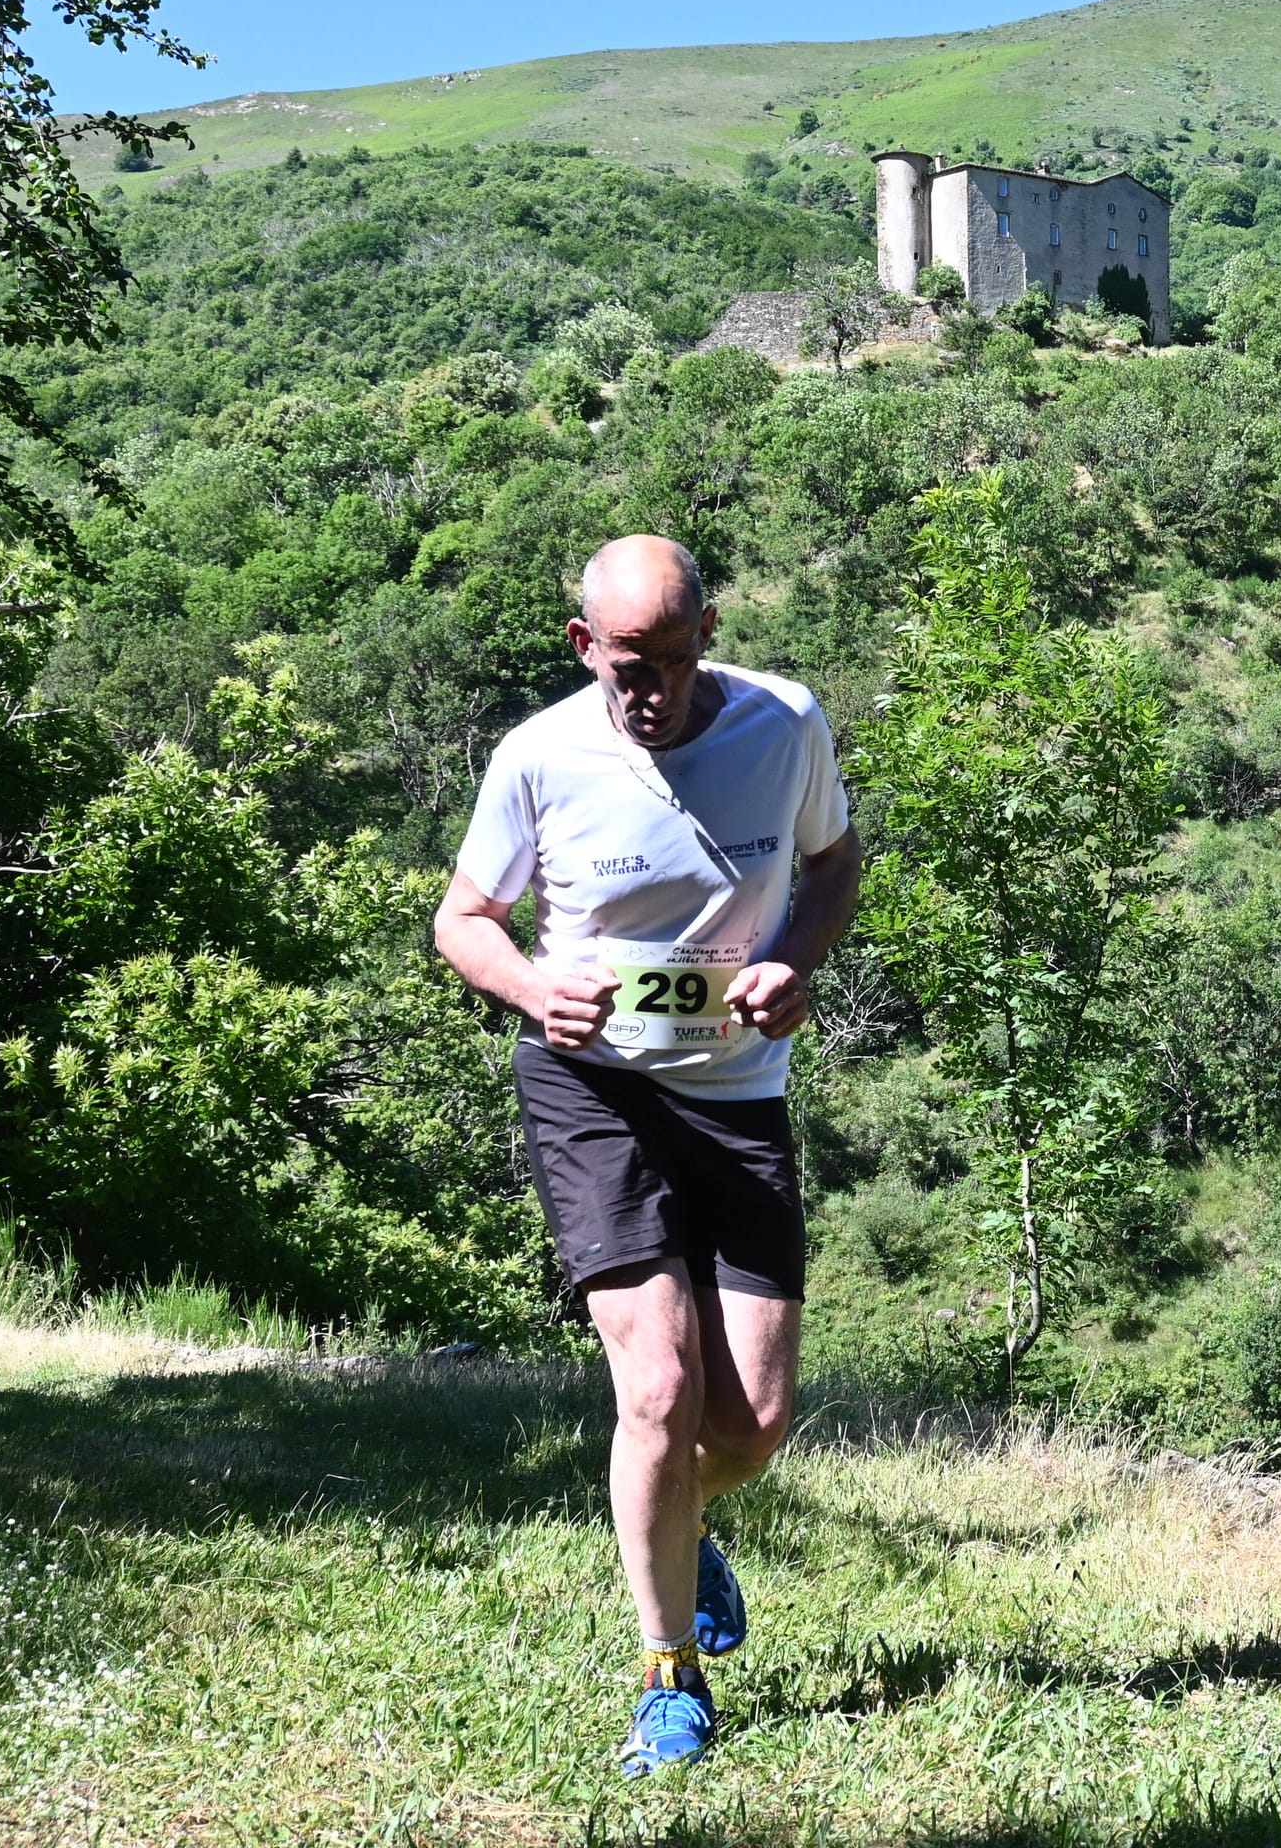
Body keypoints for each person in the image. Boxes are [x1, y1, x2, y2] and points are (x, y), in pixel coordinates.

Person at [434, 534, 862, 1775]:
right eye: (630, 663)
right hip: (593, 1091)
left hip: (737, 1097)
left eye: (676, 659)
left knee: (757, 1419)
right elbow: (463, 917)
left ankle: (681, 1522)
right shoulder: (539, 755)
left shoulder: (784, 723)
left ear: (707, 634)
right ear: (585, 647)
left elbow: (832, 864)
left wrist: (798, 959)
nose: (653, 688)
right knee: (659, 1392)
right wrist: (529, 986)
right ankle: (666, 1673)